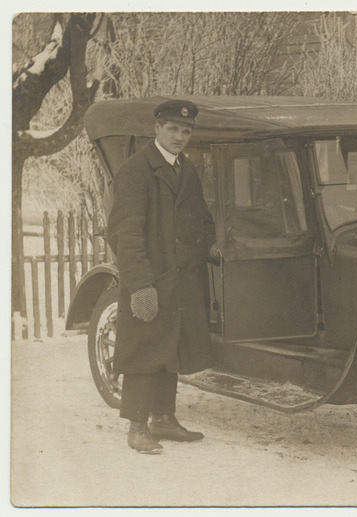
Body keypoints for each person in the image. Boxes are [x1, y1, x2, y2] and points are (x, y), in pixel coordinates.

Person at [106, 99, 217, 454]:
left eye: (186, 131)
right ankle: (137, 427)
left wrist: (209, 246)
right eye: (173, 129)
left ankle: (163, 418)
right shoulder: (136, 170)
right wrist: (140, 284)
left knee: (170, 348)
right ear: (157, 129)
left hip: (180, 279)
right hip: (150, 279)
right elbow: (125, 232)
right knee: (144, 349)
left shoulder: (187, 169)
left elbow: (202, 216)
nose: (180, 137)